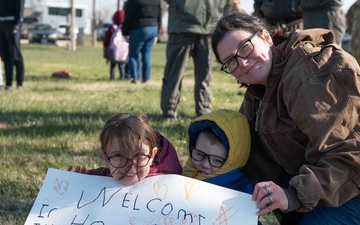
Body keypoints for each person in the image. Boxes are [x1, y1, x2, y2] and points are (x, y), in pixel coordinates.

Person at [211, 11, 360, 225]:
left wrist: (293, 196)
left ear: (266, 37)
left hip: (351, 188)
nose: (242, 63)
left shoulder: (310, 74)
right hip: (324, 182)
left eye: (244, 47)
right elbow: (247, 150)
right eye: (231, 61)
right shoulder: (260, 89)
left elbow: (350, 155)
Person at [68, 112, 183, 186]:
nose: (130, 165)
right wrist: (74, 187)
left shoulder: (171, 187)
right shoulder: (97, 181)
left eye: (138, 155)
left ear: (152, 155)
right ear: (105, 158)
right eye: (118, 155)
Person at [160, 0, 226, 120]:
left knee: (205, 76)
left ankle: (204, 111)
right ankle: (169, 112)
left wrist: (217, 7)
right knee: (174, 75)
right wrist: (181, 5)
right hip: (181, 27)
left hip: (208, 29)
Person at [182, 109, 253, 194]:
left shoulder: (241, 192)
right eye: (200, 155)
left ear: (232, 162)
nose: (205, 165)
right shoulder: (184, 174)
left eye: (217, 160)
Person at [122, 0, 161, 83]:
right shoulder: (156, 1)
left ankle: (134, 77)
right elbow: (159, 15)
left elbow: (128, 16)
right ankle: (146, 78)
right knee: (146, 54)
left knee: (133, 55)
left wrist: (124, 32)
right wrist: (157, 32)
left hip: (138, 28)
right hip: (153, 27)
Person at [0, 0, 25, 91]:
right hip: (1, 23)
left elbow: (20, 7)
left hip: (12, 23)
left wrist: (17, 23)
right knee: (5, 56)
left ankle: (19, 83)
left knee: (15, 55)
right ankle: (8, 83)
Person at [103, 10, 127, 81]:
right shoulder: (125, 28)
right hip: (123, 50)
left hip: (113, 49)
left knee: (112, 65)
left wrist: (105, 47)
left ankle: (112, 77)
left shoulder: (112, 28)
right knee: (121, 65)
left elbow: (107, 39)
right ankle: (122, 77)